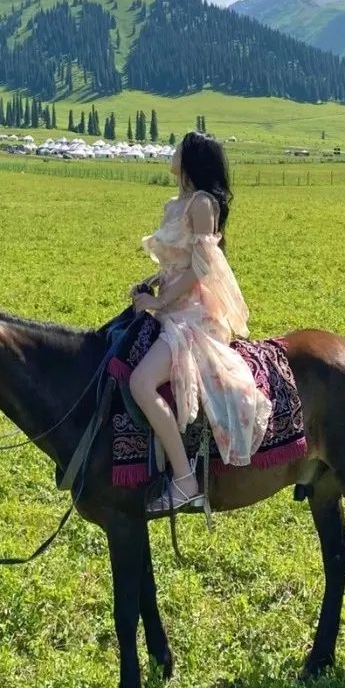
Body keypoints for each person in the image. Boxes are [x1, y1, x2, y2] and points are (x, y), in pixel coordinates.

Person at [128, 131, 271, 514]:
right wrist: (154, 283)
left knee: (141, 382)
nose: (171, 154)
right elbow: (176, 262)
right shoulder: (175, 204)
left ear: (190, 160)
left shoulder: (202, 204)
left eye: (178, 149)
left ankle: (184, 480)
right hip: (172, 303)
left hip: (194, 313)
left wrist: (160, 300)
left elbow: (202, 266)